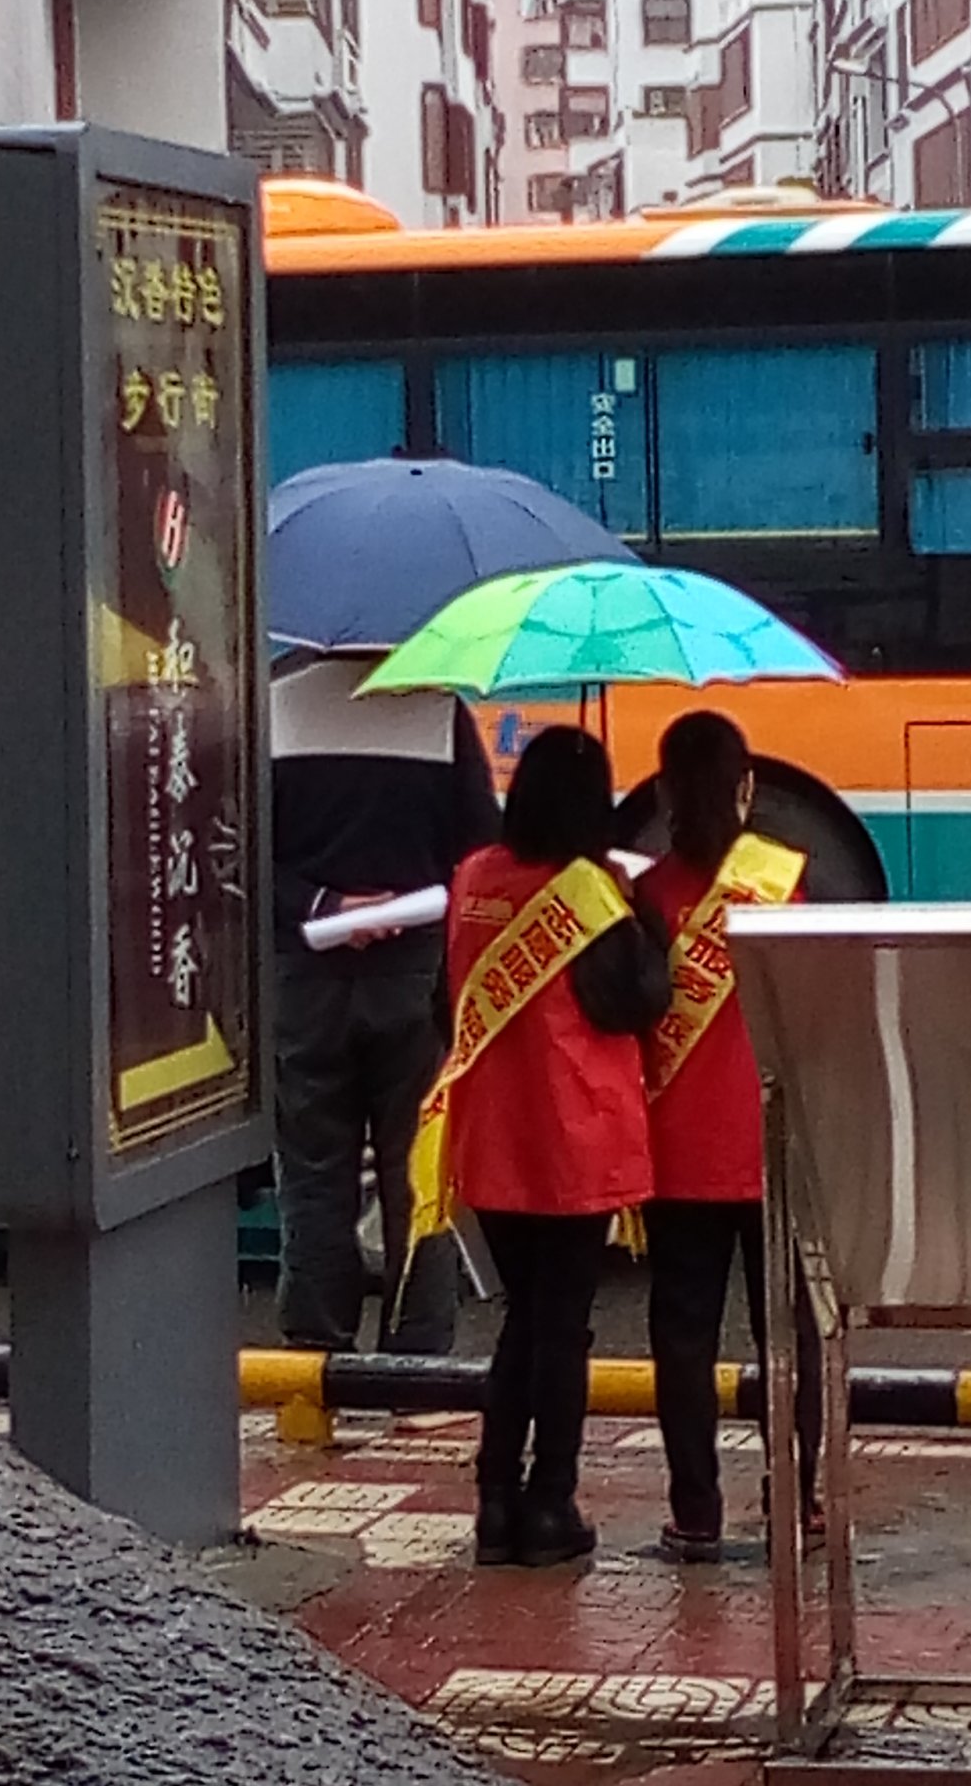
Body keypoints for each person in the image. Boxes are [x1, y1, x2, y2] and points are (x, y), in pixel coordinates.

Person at [442, 727, 670, 1568]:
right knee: (561, 1327)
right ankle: (550, 1504)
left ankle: (494, 1502)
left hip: (493, 1137)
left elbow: (444, 1000)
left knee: (522, 1318)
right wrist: (643, 921)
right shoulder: (594, 894)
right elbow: (633, 1002)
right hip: (575, 1137)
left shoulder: (474, 877)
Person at [272, 662, 499, 1355]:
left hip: (306, 977)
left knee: (314, 1175)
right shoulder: (438, 711)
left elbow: (238, 848)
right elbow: (482, 850)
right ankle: (418, 1356)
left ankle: (315, 1356)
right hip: (415, 978)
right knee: (417, 1174)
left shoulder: (274, 706)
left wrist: (327, 905)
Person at [638, 711, 823, 1564]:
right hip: (774, 1141)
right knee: (789, 1332)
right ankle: (798, 1500)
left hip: (676, 1150)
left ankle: (696, 1513)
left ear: (665, 791)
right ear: (745, 787)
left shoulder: (646, 897)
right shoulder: (785, 883)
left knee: (684, 1337)